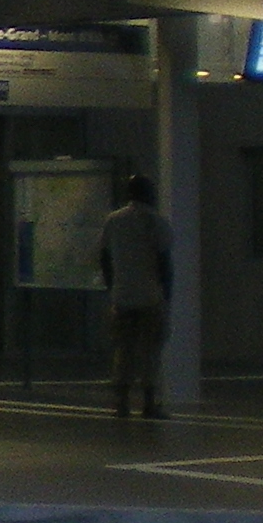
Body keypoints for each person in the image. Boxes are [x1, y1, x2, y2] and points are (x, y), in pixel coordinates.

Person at [99, 172, 174, 419]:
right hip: (150, 295)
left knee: (123, 349)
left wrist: (113, 286)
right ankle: (149, 402)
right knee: (150, 350)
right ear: (148, 194)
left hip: (122, 296)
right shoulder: (155, 222)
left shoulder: (113, 220)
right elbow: (164, 261)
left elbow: (105, 257)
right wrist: (167, 293)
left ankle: (121, 402)